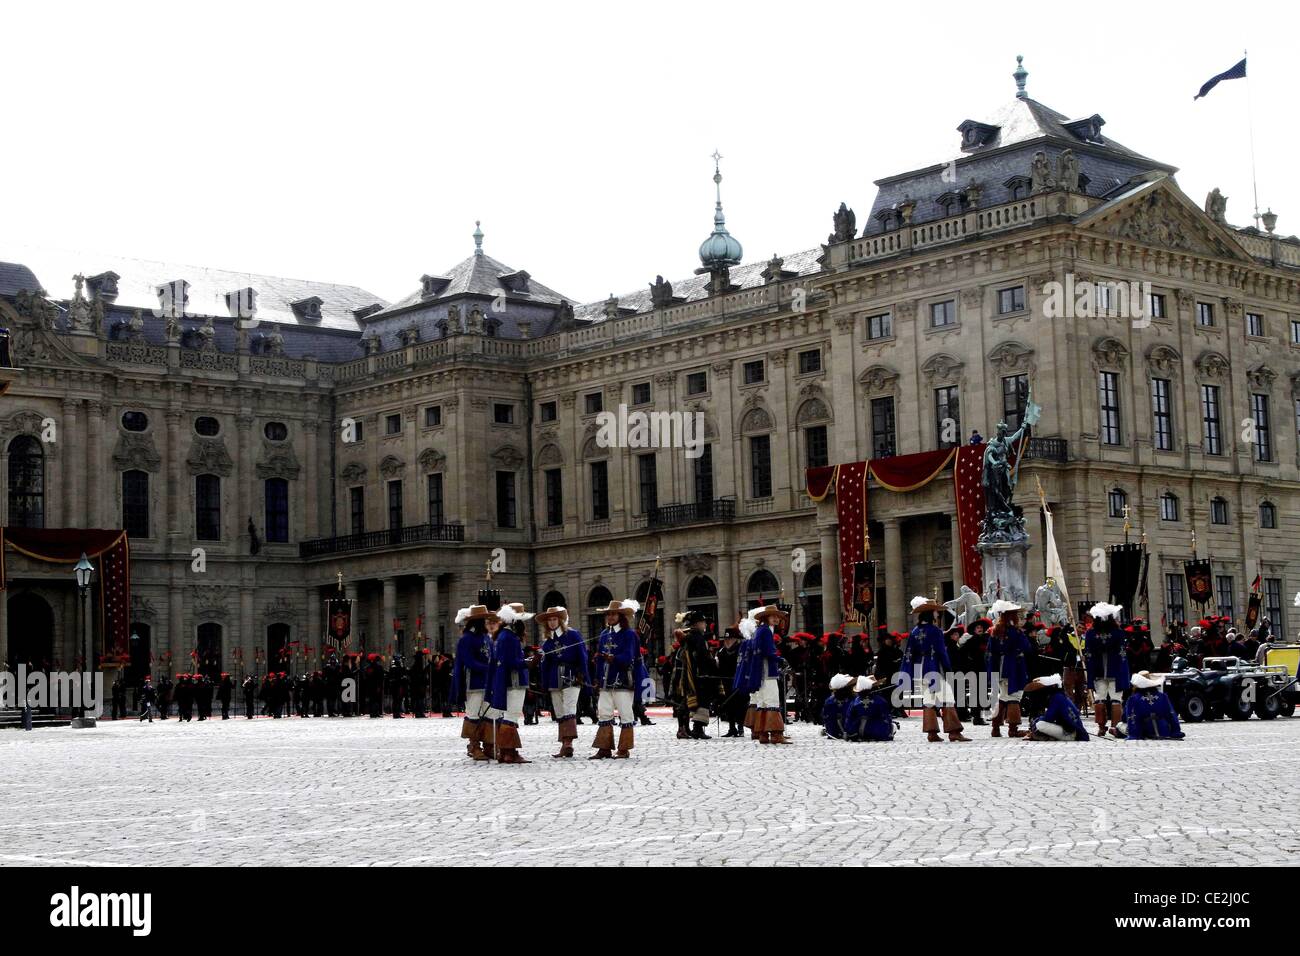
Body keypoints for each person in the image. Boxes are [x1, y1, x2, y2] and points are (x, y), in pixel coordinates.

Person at [906, 596, 969, 743]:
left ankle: (931, 732)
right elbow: (942, 652)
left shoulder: (914, 631)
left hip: (920, 670)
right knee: (947, 699)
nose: (937, 613)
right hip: (934, 667)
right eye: (935, 611)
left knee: (929, 700)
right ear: (930, 613)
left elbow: (909, 653)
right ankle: (954, 732)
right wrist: (948, 668)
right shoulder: (935, 631)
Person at [590, 599, 647, 759]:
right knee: (604, 713)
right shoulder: (603, 634)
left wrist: (613, 658)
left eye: (614, 614)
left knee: (625, 713)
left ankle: (624, 748)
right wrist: (597, 678)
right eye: (608, 614)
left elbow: (628, 657)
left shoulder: (629, 634)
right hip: (605, 681)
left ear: (621, 616)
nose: (610, 617)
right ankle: (604, 747)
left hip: (623, 679)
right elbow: (600, 658)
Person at [484, 604, 533, 764]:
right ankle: (509, 752)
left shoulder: (502, 636)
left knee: (509, 716)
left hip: (507, 681)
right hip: (514, 681)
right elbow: (511, 661)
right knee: (511, 717)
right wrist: (528, 662)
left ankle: (506, 751)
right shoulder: (509, 637)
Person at [537, 606, 588, 759]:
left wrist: (584, 676)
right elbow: (544, 665)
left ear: (560, 620)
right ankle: (564, 744)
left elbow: (583, 657)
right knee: (559, 712)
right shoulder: (547, 642)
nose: (552, 622)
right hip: (554, 678)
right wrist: (544, 684)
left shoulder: (573, 635)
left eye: (554, 619)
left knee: (569, 709)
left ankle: (568, 744)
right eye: (549, 620)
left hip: (571, 676)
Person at [744, 605, 792, 745]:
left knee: (763, 702)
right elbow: (767, 652)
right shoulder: (765, 631)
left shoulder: (760, 630)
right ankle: (776, 734)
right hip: (767, 671)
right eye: (773, 616)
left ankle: (763, 733)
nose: (777, 619)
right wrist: (780, 659)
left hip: (760, 672)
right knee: (772, 700)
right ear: (766, 617)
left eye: (778, 616)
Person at [451, 606, 494, 758]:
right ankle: (474, 745)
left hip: (487, 681)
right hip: (472, 682)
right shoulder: (466, 639)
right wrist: (489, 668)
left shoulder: (486, 637)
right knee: (473, 713)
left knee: (487, 713)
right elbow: (469, 662)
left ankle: (488, 745)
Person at [986, 600, 1031, 738]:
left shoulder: (994, 632)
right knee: (1014, 696)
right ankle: (1013, 728)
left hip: (999, 668)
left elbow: (989, 652)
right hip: (1013, 667)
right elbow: (1027, 647)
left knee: (1004, 697)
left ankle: (995, 728)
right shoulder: (1015, 632)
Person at [1084, 602, 1129, 737]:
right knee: (1115, 699)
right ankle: (1115, 726)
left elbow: (1088, 653)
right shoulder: (1118, 633)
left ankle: (1101, 727)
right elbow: (1122, 652)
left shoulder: (1091, 633)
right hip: (1115, 669)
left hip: (1098, 670)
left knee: (1100, 698)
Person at [670, 610, 716, 740]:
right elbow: (703, 657)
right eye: (703, 622)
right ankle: (696, 729)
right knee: (701, 701)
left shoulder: (689, 637)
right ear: (697, 624)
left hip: (688, 675)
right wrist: (714, 664)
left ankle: (684, 728)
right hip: (698, 675)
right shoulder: (698, 638)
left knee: (686, 701)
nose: (705, 625)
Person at [1117, 671, 1185, 740]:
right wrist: (1176, 732)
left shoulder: (1133, 699)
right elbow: (1172, 715)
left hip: (1143, 731)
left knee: (1120, 725)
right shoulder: (1163, 696)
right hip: (1163, 730)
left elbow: (1127, 718)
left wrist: (1134, 734)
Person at [1024, 674, 1089, 740]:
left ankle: (1051, 737)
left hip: (1071, 734)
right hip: (1073, 731)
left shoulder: (1056, 698)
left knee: (1040, 725)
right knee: (1039, 723)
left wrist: (1036, 720)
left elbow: (1048, 718)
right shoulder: (1060, 696)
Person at [714, 626, 747, 737]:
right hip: (726, 681)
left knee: (740, 704)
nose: (727, 641)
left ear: (736, 639)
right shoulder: (721, 651)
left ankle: (740, 727)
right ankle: (731, 728)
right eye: (726, 639)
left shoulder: (740, 650)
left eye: (730, 639)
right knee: (728, 705)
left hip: (738, 681)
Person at [844, 675, 896, 741]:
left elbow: (849, 719)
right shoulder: (881, 701)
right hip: (878, 733)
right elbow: (887, 718)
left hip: (858, 734)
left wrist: (850, 733)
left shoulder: (854, 702)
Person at [821, 673, 854, 739]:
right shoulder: (852, 700)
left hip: (832, 732)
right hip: (847, 731)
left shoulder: (828, 700)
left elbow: (823, 716)